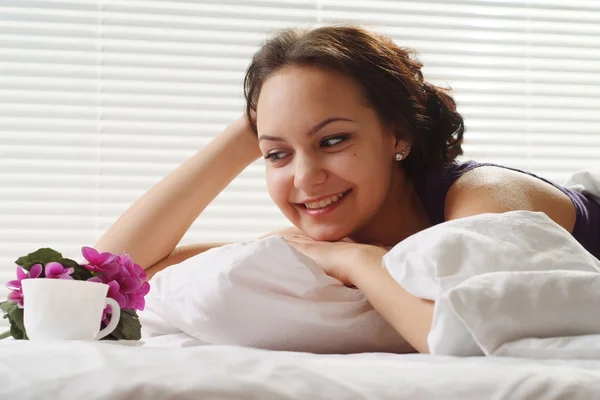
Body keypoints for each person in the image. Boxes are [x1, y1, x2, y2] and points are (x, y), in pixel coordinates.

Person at [94, 26, 600, 353]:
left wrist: (356, 261)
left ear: (398, 133)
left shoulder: (481, 195)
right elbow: (107, 277)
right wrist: (247, 132)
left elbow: (460, 332)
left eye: (332, 140)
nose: (305, 178)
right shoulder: (338, 227)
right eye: (277, 154)